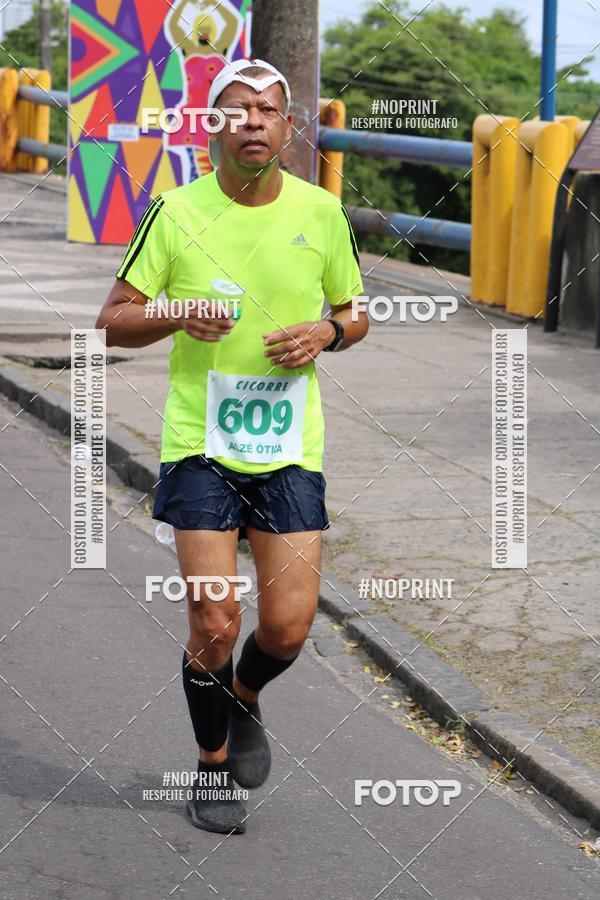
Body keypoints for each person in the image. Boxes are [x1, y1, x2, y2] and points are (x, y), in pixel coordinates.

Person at [96, 58, 368, 835]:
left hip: (289, 448)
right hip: (200, 442)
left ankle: (242, 697)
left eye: (268, 109)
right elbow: (111, 318)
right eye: (236, 109)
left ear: (288, 129)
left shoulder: (322, 213)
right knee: (215, 621)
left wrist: (328, 332)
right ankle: (212, 767)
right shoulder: (176, 212)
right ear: (213, 126)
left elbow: (355, 313)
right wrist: (177, 311)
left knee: (285, 628)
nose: (253, 120)